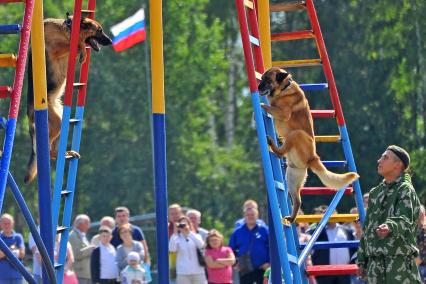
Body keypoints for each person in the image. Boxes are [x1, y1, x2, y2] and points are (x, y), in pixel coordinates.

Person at [357, 145, 422, 283]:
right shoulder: (375, 192)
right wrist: (362, 260)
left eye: (385, 158)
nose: (379, 160)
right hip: (375, 266)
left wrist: (390, 226)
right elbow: (367, 227)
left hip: (399, 264)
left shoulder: (405, 190)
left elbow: (404, 219)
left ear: (397, 165)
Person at [308, 209, 356, 284]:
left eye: (333, 214)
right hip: (325, 273)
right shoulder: (318, 232)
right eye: (328, 214)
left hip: (344, 272)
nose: (331, 216)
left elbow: (354, 249)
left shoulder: (347, 231)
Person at [229, 207, 270, 284]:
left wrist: (269, 262)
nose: (250, 216)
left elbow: (272, 247)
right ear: (244, 216)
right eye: (248, 215)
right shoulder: (238, 231)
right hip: (245, 269)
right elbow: (230, 249)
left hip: (263, 269)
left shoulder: (264, 230)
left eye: (253, 215)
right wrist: (236, 262)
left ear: (257, 216)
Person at [169, 215, 206, 284]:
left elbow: (201, 245)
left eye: (185, 224)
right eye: (181, 225)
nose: (183, 227)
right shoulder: (176, 238)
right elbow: (172, 249)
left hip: (198, 271)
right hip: (183, 272)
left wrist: (189, 233)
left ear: (189, 225)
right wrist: (175, 233)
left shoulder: (196, 235)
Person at [69, 214, 95, 284]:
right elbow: (76, 254)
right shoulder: (73, 236)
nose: (89, 225)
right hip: (80, 274)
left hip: (85, 274)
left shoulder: (81, 235)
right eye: (87, 223)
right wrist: (91, 248)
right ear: (80, 224)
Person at [0, 213, 25, 284]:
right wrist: (12, 249)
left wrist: (4, 252)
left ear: (12, 224)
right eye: (4, 223)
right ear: (1, 224)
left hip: (17, 275)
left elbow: (22, 254)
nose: (7, 225)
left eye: (8, 223)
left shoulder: (18, 237)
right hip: (2, 277)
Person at [416, 205, 426, 282]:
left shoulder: (424, 230)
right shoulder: (414, 229)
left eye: (421, 214)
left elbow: (422, 255)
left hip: (422, 266)